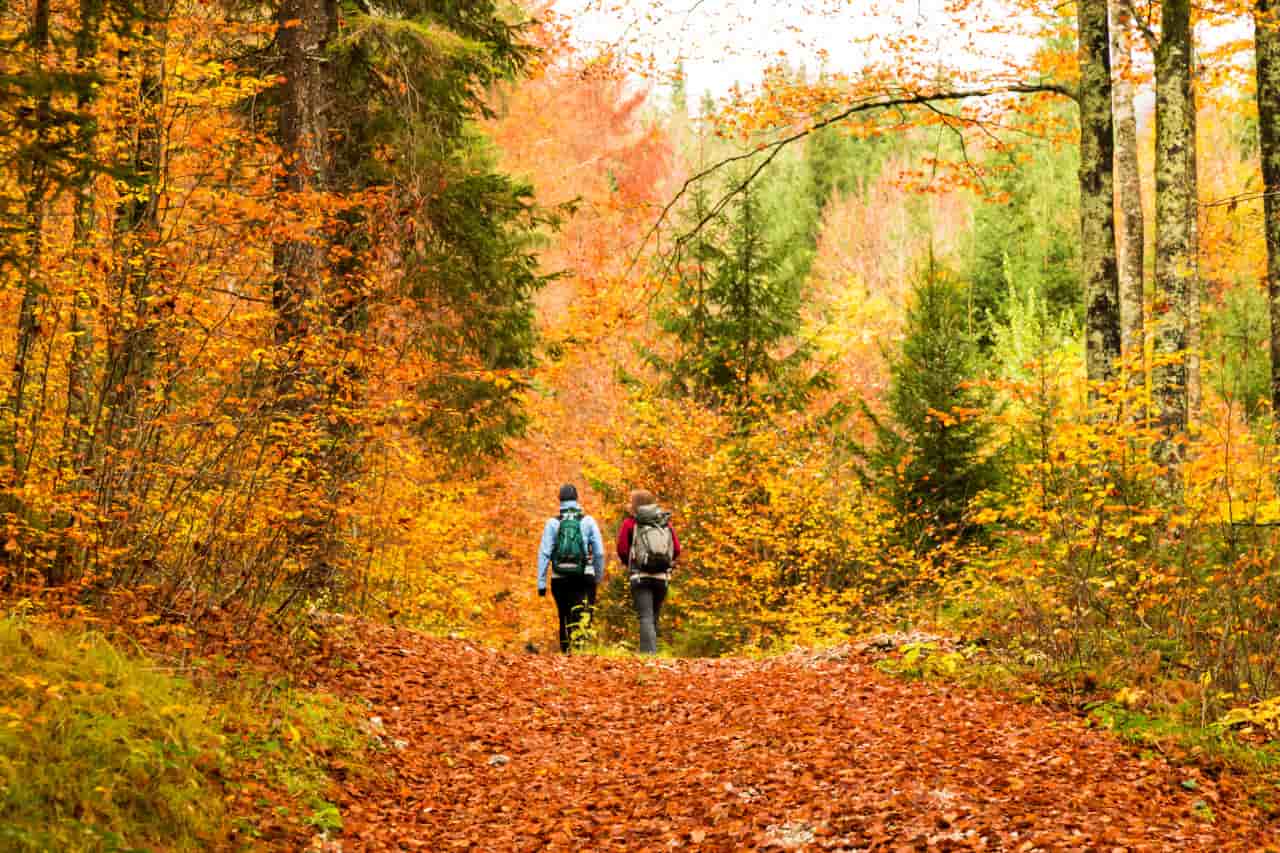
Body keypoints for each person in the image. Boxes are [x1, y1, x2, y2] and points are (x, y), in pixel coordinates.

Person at [537, 484, 606, 653]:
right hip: (584, 576)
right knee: (584, 615)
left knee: (564, 616)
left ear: (559, 499)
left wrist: (541, 583)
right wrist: (597, 576)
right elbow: (599, 553)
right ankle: (582, 653)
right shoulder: (588, 521)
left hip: (559, 578)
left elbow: (544, 553)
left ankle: (566, 657)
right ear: (577, 499)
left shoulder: (553, 523)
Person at [616, 490, 680, 654]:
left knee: (645, 616)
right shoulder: (664, 522)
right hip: (661, 577)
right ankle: (653, 653)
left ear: (634, 504)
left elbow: (622, 549)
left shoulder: (630, 523)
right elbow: (677, 549)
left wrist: (629, 564)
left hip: (640, 575)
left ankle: (648, 655)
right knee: (654, 615)